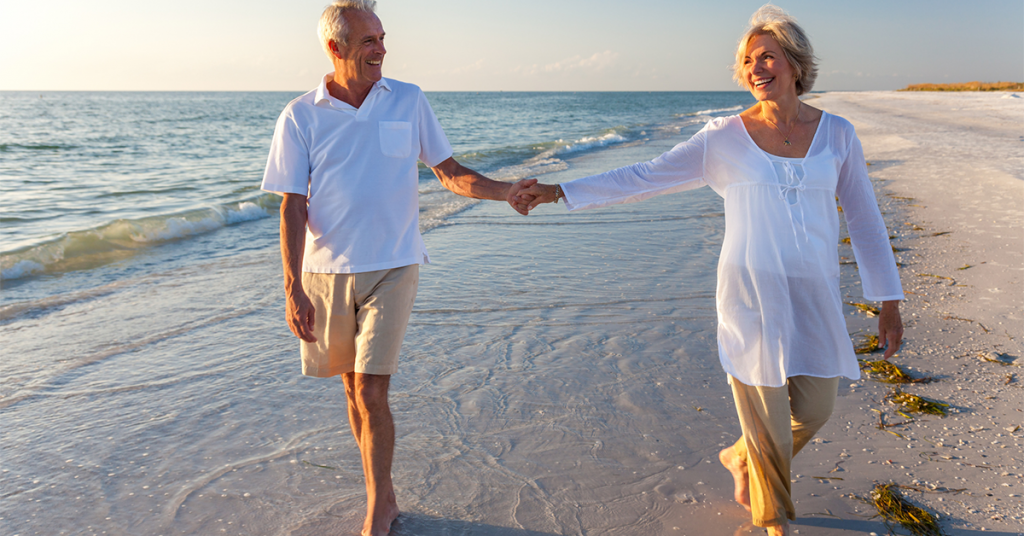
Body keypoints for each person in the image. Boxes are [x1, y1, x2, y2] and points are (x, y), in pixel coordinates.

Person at [515, 5, 904, 535]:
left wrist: (889, 301)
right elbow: (645, 176)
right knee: (768, 423)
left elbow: (864, 217)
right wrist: (562, 190)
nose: (755, 68)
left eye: (766, 56)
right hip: (750, 293)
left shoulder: (837, 134)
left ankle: (741, 457)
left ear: (794, 63)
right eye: (746, 61)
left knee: (814, 409)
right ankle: (774, 522)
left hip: (814, 294)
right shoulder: (724, 136)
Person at [260, 2, 534, 534]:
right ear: (335, 48)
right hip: (326, 274)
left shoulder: (407, 100)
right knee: (349, 387)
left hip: (395, 264)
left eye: (383, 38)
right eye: (368, 41)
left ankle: (381, 504)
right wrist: (293, 287)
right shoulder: (300, 114)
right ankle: (375, 489)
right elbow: (292, 205)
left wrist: (505, 192)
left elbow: (448, 172)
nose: (381, 49)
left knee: (371, 389)